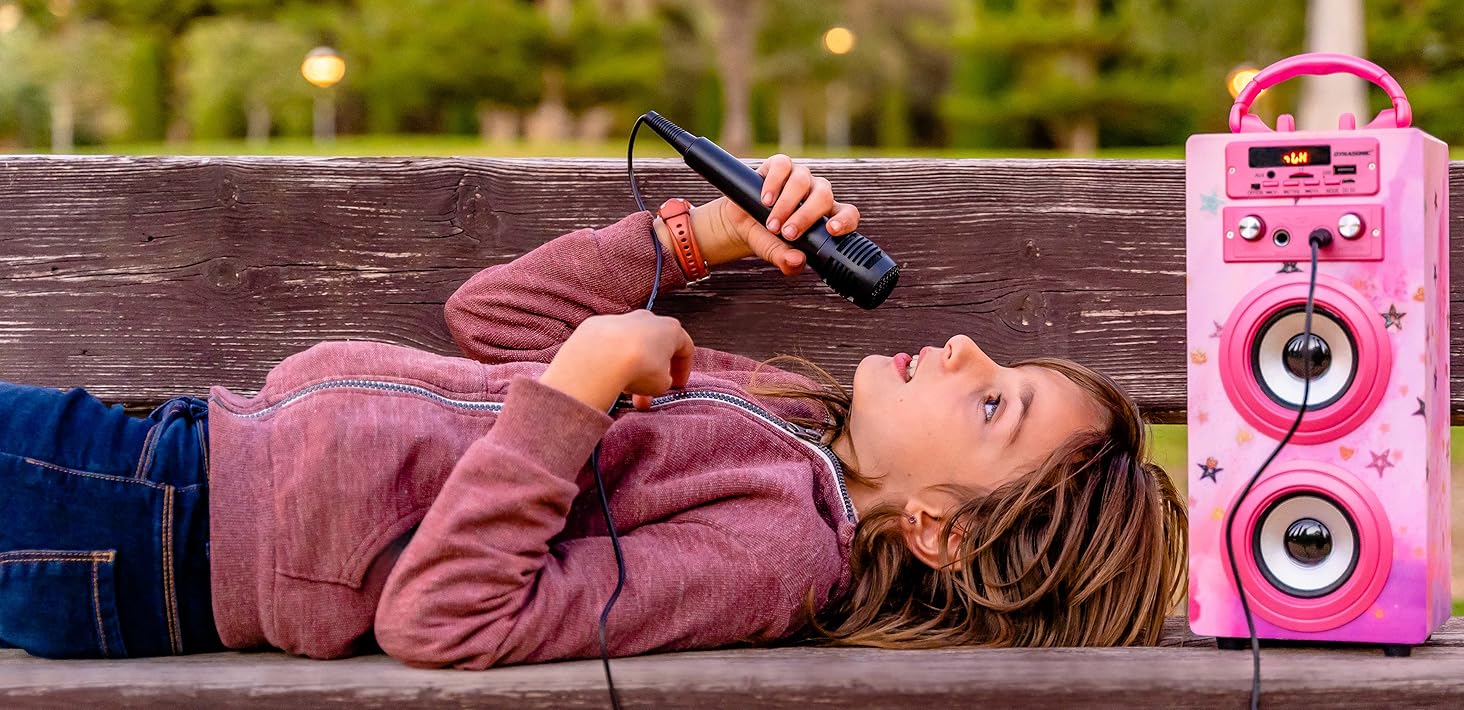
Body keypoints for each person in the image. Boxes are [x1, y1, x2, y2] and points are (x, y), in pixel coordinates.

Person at [0, 155, 1186, 666]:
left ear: (940, 529)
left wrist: (581, 388)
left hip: (180, 538)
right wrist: (694, 236)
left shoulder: (772, 548)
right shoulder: (789, 414)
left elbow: (447, 616)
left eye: (994, 404)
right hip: (172, 462)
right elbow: (490, 318)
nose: (968, 348)